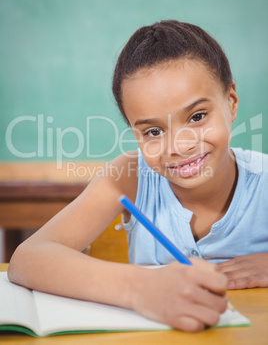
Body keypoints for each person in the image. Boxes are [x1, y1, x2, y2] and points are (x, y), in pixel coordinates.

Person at [8, 20, 268, 333]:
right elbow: (28, 259)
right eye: (153, 131)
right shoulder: (129, 177)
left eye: (198, 117)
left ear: (231, 101)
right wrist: (141, 288)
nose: (179, 146)